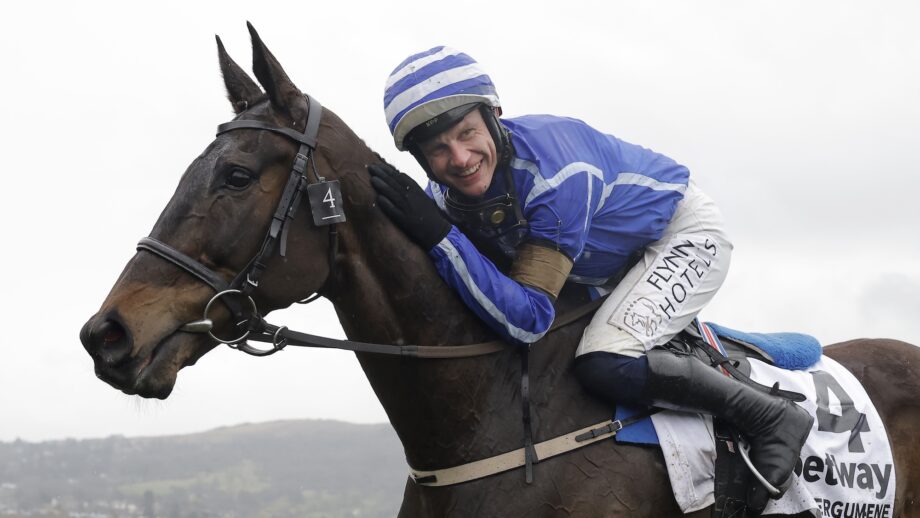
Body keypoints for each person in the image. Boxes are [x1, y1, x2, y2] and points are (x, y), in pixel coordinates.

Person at [368, 46, 812, 513]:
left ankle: (770, 416)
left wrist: (442, 238)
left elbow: (528, 319)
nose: (459, 158)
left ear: (494, 115)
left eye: (467, 133)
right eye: (438, 149)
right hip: (598, 267)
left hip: (679, 236)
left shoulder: (557, 175)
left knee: (604, 358)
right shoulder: (441, 195)